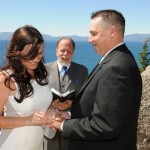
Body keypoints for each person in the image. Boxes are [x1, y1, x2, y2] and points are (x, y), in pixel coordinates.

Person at [49, 9, 142, 150]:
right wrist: (70, 114)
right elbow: (103, 108)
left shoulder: (116, 68)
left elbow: (104, 125)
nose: (89, 39)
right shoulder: (115, 60)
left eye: (94, 33)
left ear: (112, 32)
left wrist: (62, 125)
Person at [0, 25, 53, 150]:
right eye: (31, 54)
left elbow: (41, 104)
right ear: (17, 51)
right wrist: (28, 120)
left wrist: (51, 110)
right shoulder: (5, 79)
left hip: (39, 145)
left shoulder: (41, 74)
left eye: (39, 54)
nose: (36, 59)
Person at [44, 37, 88, 150]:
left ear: (73, 52)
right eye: (62, 50)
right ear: (56, 51)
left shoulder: (82, 71)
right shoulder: (44, 70)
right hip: (49, 127)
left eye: (69, 51)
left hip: (71, 127)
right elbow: (38, 96)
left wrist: (71, 106)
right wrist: (52, 106)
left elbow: (86, 99)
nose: (65, 54)